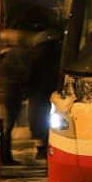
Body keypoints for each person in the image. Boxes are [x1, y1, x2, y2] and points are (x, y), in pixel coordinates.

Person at [26, 30, 63, 160]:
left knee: (38, 122)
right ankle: (50, 146)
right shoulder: (56, 57)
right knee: (51, 121)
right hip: (52, 93)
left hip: (38, 95)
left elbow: (29, 76)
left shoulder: (34, 57)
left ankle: (40, 149)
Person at [0, 31, 31, 165]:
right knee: (7, 127)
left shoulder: (1, 55)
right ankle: (5, 157)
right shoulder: (16, 54)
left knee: (4, 126)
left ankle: (3, 155)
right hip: (12, 93)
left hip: (3, 93)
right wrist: (25, 89)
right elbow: (22, 74)